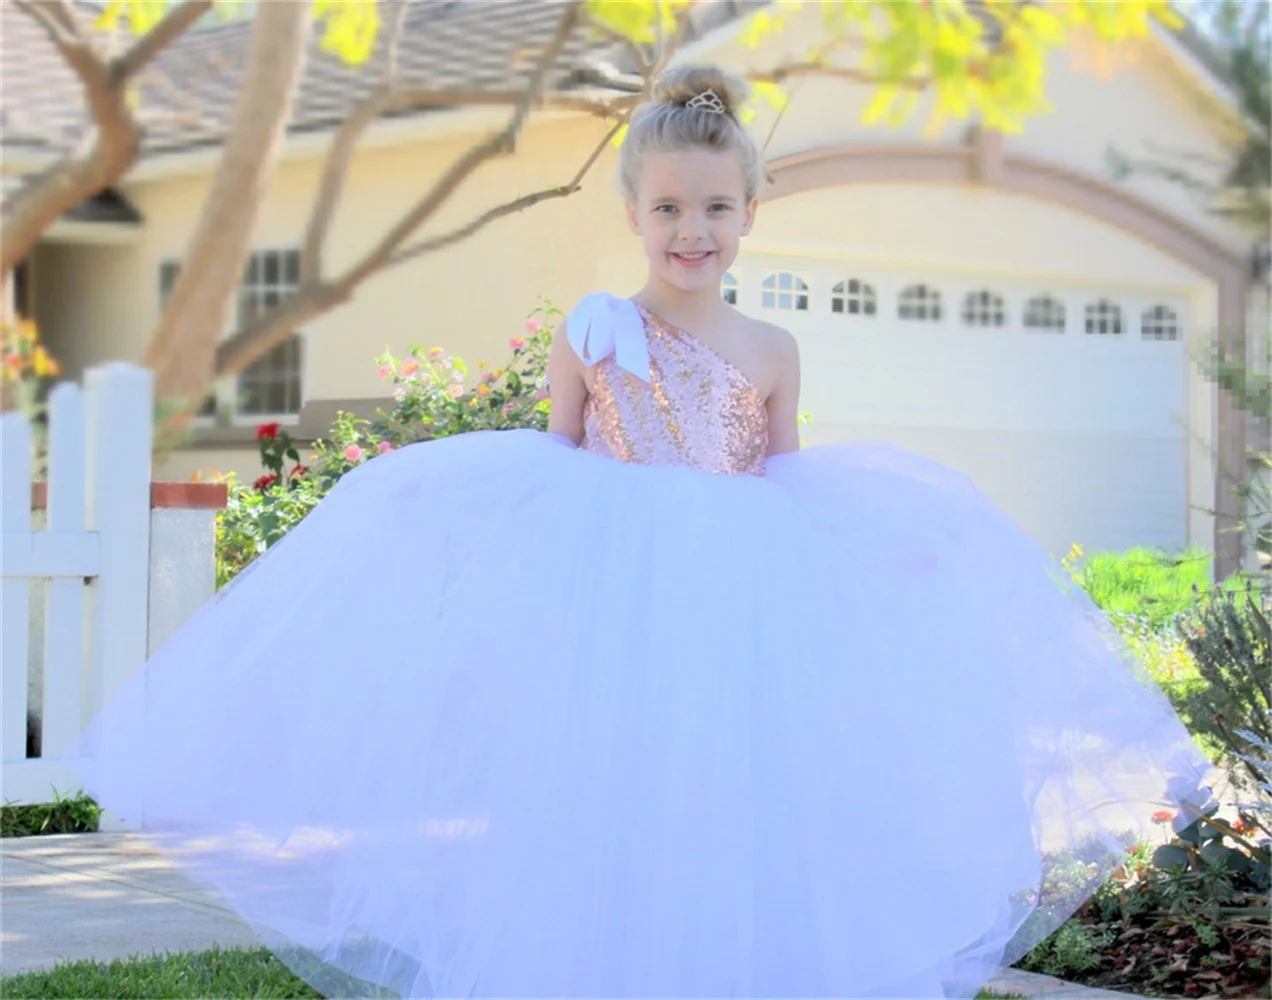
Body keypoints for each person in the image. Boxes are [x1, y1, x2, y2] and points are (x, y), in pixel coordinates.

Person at [73, 65, 1215, 999]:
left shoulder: (772, 349)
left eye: (716, 207)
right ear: (632, 212)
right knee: (606, 793)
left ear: (750, 216)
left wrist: (881, 559)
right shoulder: (595, 328)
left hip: (744, 600)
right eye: (667, 207)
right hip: (617, 599)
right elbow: (555, 459)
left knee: (739, 792)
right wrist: (455, 517)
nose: (691, 229)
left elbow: (792, 483)